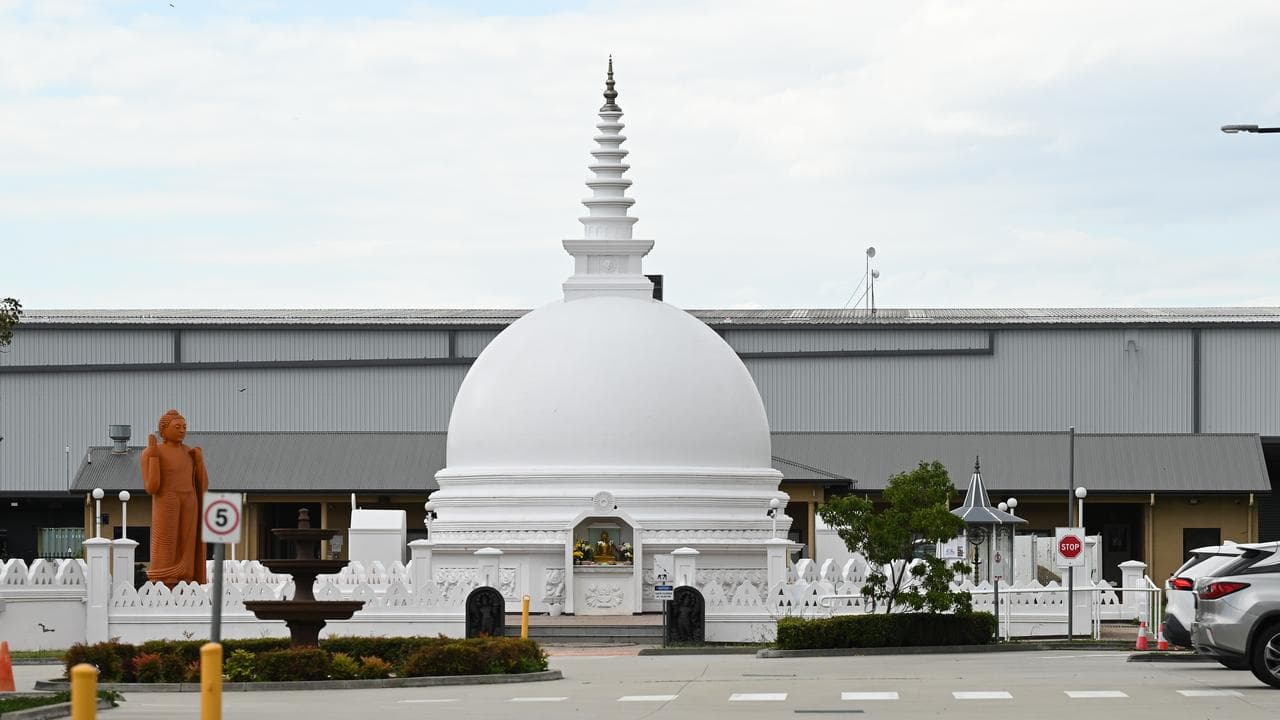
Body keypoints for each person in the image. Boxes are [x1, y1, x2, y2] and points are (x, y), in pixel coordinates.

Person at [140, 409, 208, 585]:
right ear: (163, 429)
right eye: (177, 426)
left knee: (187, 542)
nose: (182, 430)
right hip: (167, 499)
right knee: (166, 541)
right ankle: (164, 576)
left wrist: (199, 462)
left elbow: (203, 486)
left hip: (189, 499)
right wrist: (154, 456)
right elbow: (152, 487)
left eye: (184, 427)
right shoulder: (152, 452)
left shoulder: (189, 453)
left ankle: (186, 575)